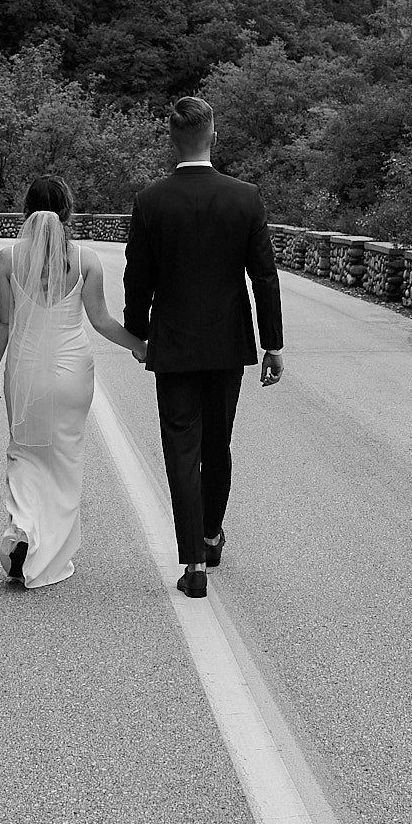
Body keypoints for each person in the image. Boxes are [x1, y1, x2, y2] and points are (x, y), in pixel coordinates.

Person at [122, 96, 284, 598]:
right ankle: (212, 535)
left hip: (173, 346)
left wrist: (138, 332)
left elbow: (137, 278)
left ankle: (193, 562)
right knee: (218, 443)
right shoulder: (246, 198)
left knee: (180, 449)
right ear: (213, 136)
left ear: (172, 139)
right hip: (227, 345)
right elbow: (264, 278)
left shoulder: (150, 200)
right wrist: (273, 344)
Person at [0, 175, 146, 587]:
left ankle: (22, 527)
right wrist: (141, 346)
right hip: (73, 371)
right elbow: (102, 320)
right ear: (68, 212)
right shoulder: (86, 259)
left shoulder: (7, 258)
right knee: (64, 461)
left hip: (26, 369)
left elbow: (3, 320)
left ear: (25, 210)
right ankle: (50, 556)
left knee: (25, 451)